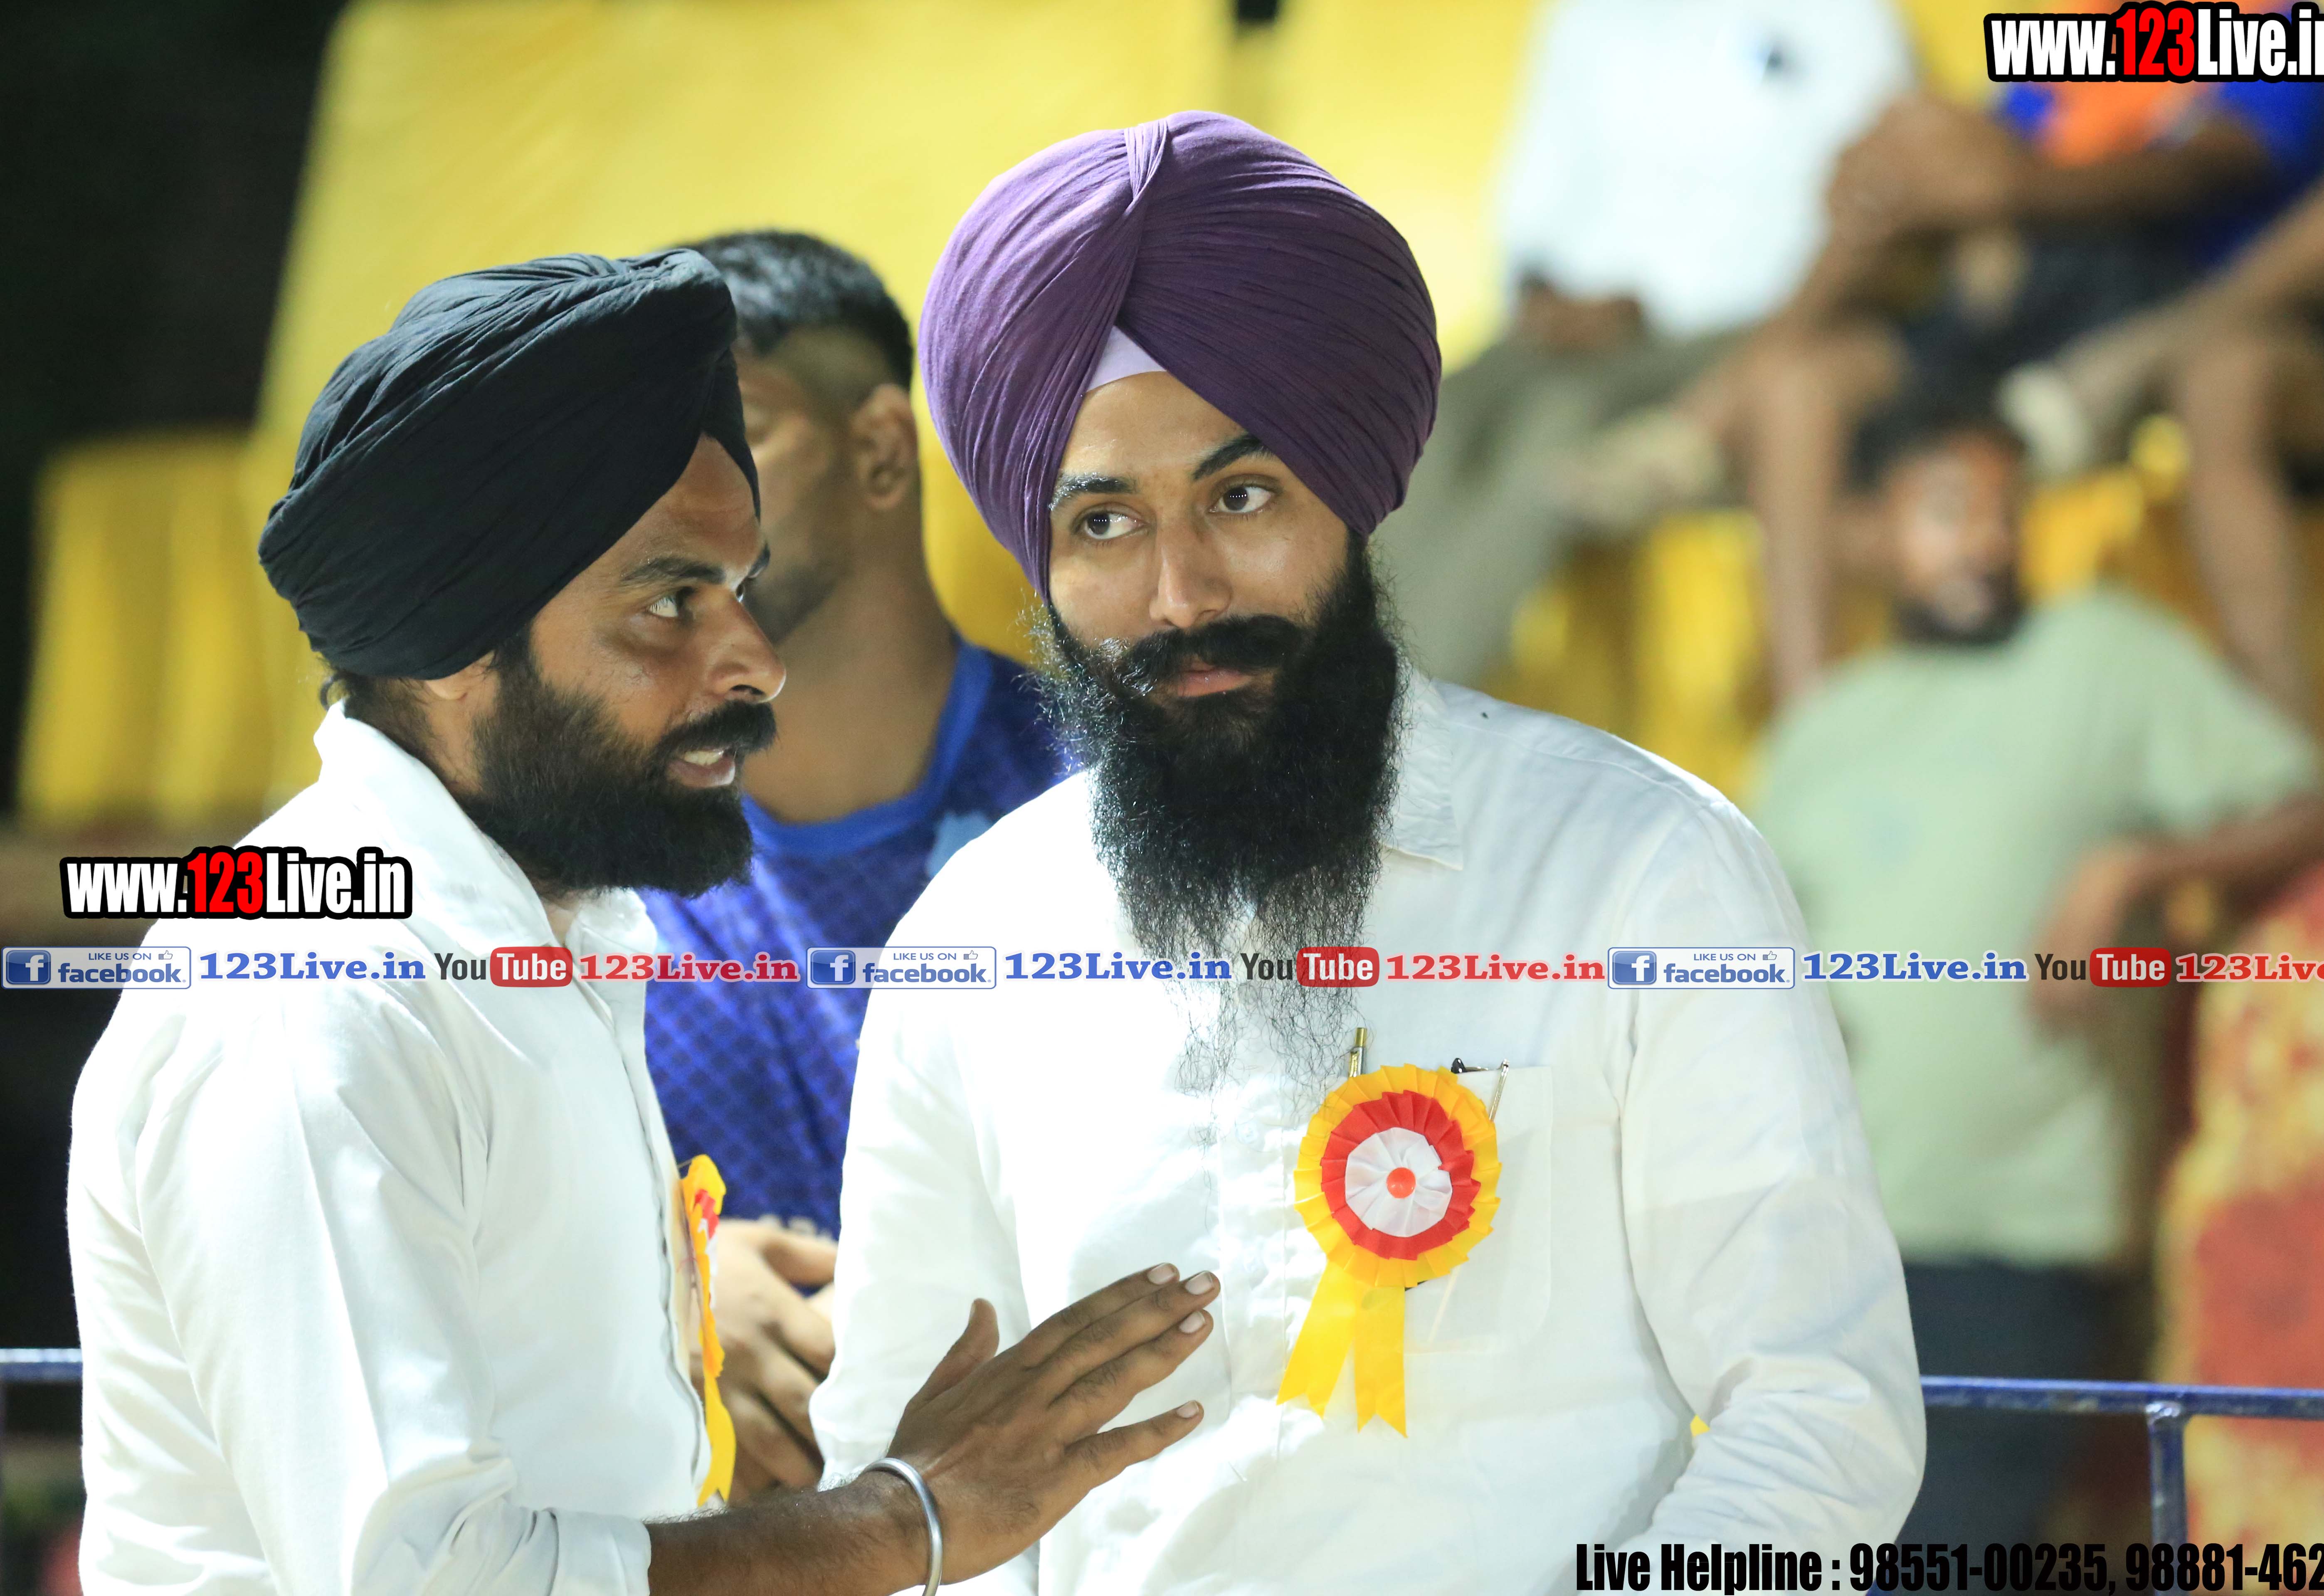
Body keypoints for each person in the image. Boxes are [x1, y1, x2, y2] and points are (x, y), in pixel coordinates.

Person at [810, 112, 1925, 1593]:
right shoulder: (973, 939)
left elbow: (1822, 1418)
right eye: (1104, 524)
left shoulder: (1642, 873)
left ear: (1354, 485)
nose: (1182, 594)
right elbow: (899, 1477)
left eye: (1242, 497)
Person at [66, 250, 1218, 1596]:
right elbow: (434, 1579)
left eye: (739, 584)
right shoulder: (315, 1002)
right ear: (453, 645)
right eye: (671, 602)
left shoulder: (554, 934)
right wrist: (908, 1518)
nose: (756, 661)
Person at [1747, 395, 2324, 1543]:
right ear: (1869, 532)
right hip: (1828, 1252)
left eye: (2007, 512)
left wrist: (2134, 867)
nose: (1987, 542)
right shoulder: (1824, 730)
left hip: (2014, 1246)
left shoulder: (2106, 657)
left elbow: (2322, 815)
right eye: (1949, 511)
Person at [637, 232, 1069, 1498]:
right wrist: (654, 1279)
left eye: (732, 433)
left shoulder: (1115, 804)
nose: (661, 501)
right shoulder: (572, 855)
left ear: (883, 448)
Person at [1574, 63, 2324, 706]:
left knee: (1916, 138)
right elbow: (1997, 155)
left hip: (2129, 306)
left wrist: (2005, 183)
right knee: (1797, 379)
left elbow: (2205, 169)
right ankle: (1811, 727)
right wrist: (1938, 176)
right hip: (2011, 306)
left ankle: (1696, 426)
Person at [1369, 0, 1910, 688]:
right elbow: (1535, 188)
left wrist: (1651, 303)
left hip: (1734, 327)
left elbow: (1884, 199)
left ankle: (1396, 720)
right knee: (1420, 422)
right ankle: (1320, 693)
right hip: (1569, 322)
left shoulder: (1839, 17)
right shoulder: (1588, 16)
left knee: (1553, 430)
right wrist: (1546, 293)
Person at [2003, 106, 2324, 722]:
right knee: (2222, 379)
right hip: (2231, 317)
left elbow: (2238, 159)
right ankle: (2278, 751)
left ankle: (2147, 351)